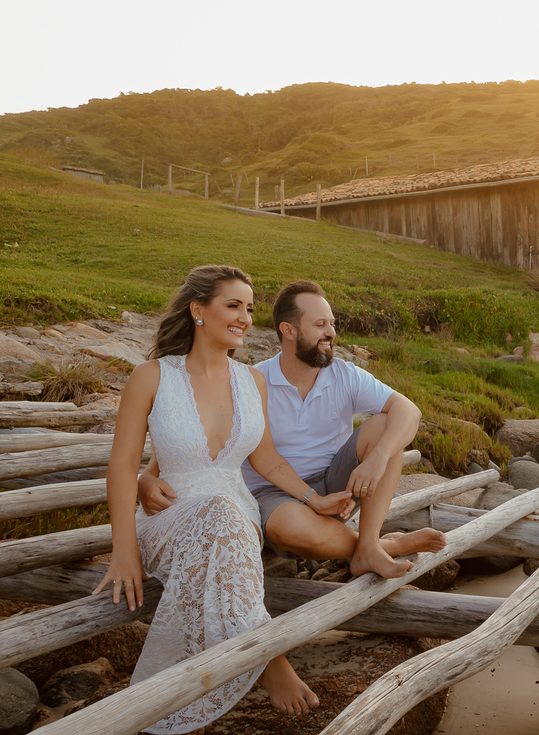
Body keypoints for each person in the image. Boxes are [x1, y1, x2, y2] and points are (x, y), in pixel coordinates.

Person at [93, 265, 357, 733]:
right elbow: (121, 465)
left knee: (227, 513)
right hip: (168, 520)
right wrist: (124, 551)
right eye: (233, 305)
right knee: (218, 513)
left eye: (250, 309)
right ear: (198, 310)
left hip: (238, 521)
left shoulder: (250, 381)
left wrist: (312, 500)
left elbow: (268, 460)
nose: (244, 318)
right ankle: (268, 657)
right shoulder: (152, 377)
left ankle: (187, 691)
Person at [139, 279, 445, 578]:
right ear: (289, 330)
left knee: (384, 427)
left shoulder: (345, 374)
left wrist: (378, 458)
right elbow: (195, 441)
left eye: (332, 324)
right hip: (274, 495)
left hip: (336, 488)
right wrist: (148, 478)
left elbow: (410, 411)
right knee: (291, 526)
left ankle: (368, 545)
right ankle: (378, 545)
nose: (331, 333)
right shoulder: (253, 381)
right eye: (320, 325)